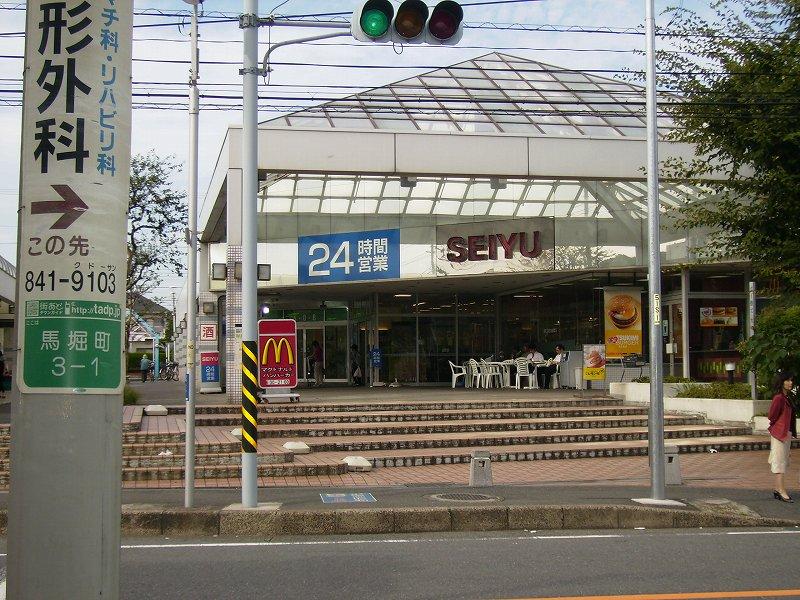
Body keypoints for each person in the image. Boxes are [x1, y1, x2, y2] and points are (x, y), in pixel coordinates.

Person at [767, 371, 796, 503]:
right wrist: (778, 427)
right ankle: (781, 490)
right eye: (788, 380)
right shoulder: (779, 398)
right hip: (780, 434)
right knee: (779, 462)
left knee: (783, 461)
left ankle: (777, 488)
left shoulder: (786, 397)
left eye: (791, 380)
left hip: (785, 433)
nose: (790, 383)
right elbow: (771, 416)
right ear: (782, 382)